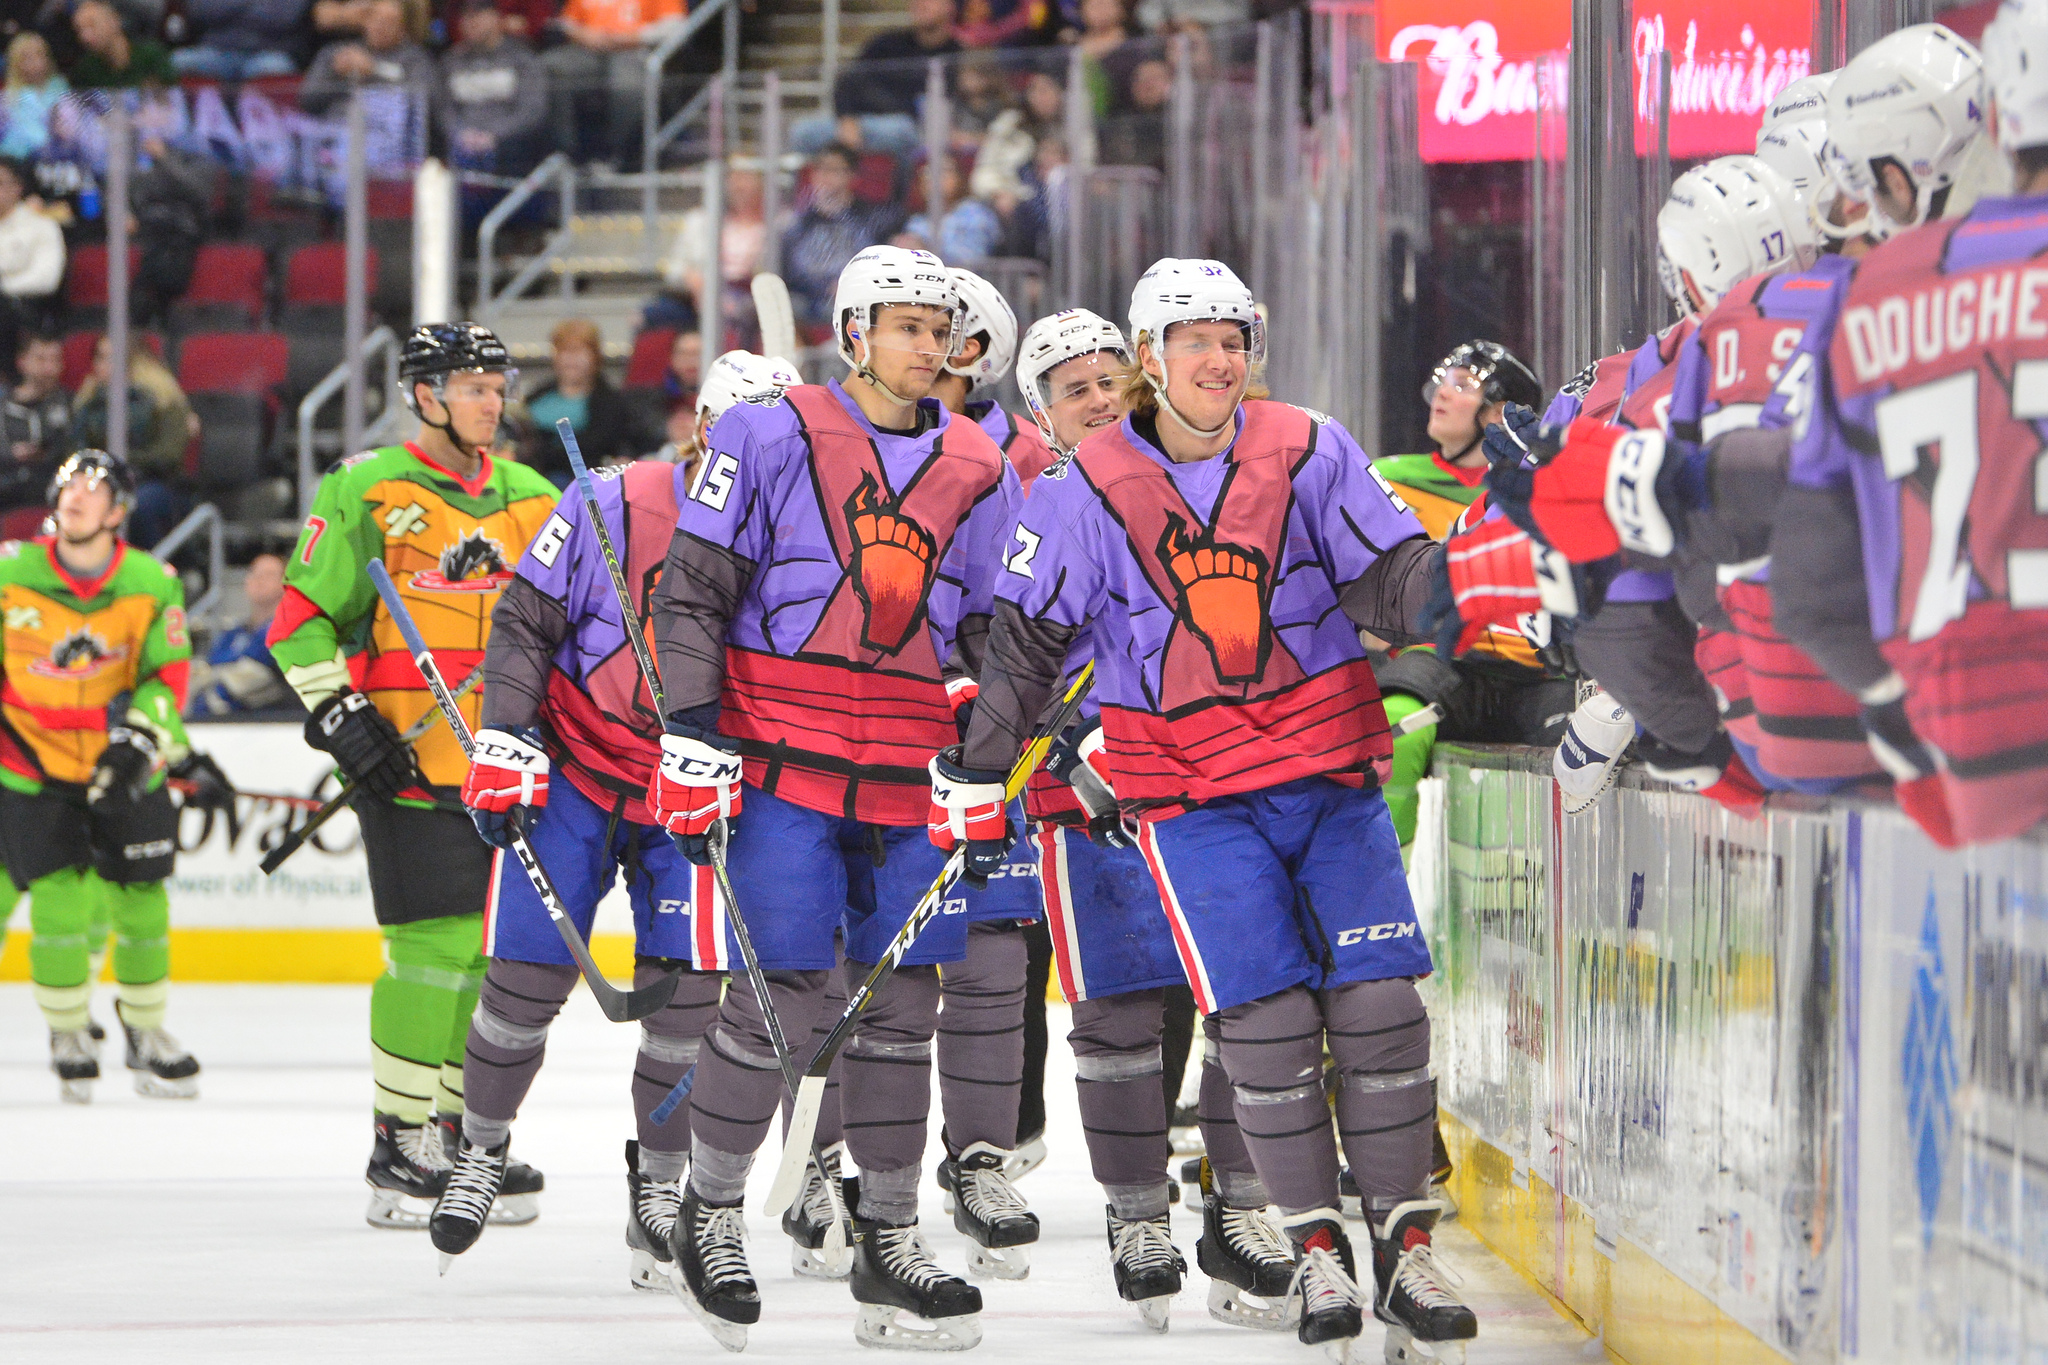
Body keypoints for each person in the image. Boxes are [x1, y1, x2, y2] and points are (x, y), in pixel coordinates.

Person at [946, 258, 1477, 1362]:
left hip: (1329, 774)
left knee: (1380, 1011)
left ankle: (1406, 1244)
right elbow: (1024, 648)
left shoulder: (1308, 444)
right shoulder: (1082, 486)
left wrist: (1467, 591)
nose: (1218, 358)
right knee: (1267, 1024)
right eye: (1194, 340)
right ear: (1153, 360)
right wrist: (971, 768)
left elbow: (1388, 574)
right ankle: (1318, 1254)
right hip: (1192, 799)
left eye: (1233, 337)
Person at [645, 246, 1016, 1351]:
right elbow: (692, 590)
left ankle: (888, 1238)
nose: (929, 346)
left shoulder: (975, 461)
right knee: (777, 996)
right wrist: (690, 732)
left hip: (910, 766)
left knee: (905, 1004)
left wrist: (985, 747)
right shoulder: (765, 432)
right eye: (906, 325)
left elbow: (991, 625)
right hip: (780, 762)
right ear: (855, 334)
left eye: (940, 329)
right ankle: (707, 1215)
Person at [426, 352, 801, 1278]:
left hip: (695, 783)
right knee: (522, 980)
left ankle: (660, 1182)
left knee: (685, 1004)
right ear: (704, 430)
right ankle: (481, 1145)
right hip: (577, 767)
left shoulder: (801, 532)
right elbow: (523, 621)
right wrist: (507, 734)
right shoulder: (609, 500)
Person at [1001, 304, 1299, 1331]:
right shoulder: (1031, 503)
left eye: (1105, 382)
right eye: (1070, 390)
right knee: (1121, 1011)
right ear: (1036, 416)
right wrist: (1070, 739)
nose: (1096, 402)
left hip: (1215, 782)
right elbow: (998, 656)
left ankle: (1239, 1209)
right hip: (1082, 805)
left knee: (1242, 1001)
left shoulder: (1202, 482)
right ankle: (1137, 1219)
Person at [266, 323, 559, 1230]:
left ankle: (458, 1132)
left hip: (508, 768)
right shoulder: (367, 487)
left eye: (496, 385)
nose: (491, 401)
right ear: (424, 396)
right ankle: (397, 1142)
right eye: (472, 385)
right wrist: (344, 716)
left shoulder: (534, 495)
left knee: (484, 958)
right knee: (432, 951)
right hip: (411, 765)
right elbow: (299, 622)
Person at [0, 450, 218, 1103]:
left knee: (145, 902)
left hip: (124, 762)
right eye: (70, 484)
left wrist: (151, 745)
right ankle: (69, 1032)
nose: (77, 494)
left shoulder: (153, 580)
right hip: (32, 765)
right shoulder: (11, 570)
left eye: (94, 487)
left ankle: (147, 1031)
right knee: (63, 904)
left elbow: (165, 675)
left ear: (118, 511)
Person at [1369, 340, 1574, 852]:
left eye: (1462, 386)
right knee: (1394, 726)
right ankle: (1387, 893)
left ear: (1501, 411)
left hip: (1541, 666)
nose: (1441, 395)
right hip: (1445, 660)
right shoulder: (1389, 479)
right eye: (1441, 382)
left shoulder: (1554, 477)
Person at [71, 336, 194, 550]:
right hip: (101, 483)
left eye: (114, 358)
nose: (106, 365)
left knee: (136, 505)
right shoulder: (87, 404)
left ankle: (154, 567)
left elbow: (168, 455)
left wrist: (115, 460)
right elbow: (75, 451)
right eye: (100, 357)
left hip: (155, 483)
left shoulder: (164, 400)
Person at [795, 0, 960, 156]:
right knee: (803, 132)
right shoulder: (886, 43)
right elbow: (848, 81)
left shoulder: (958, 54)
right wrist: (847, 118)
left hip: (912, 127)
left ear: (950, 6)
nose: (920, 4)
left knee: (900, 130)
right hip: (861, 123)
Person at [542, 0, 684, 166]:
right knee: (551, 66)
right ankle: (565, 153)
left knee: (626, 86)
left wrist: (631, 37)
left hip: (635, 50)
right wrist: (583, 35)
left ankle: (620, 156)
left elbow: (675, 26)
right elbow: (567, 23)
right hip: (589, 50)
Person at [782, 144, 900, 330]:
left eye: (834, 170)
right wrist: (819, 288)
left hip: (853, 298)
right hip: (805, 297)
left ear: (852, 176)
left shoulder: (874, 219)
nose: (825, 176)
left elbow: (878, 261)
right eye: (820, 169)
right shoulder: (798, 223)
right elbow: (788, 268)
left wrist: (849, 285)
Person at [523, 319, 653, 484]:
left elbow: (600, 447)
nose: (571, 359)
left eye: (579, 352)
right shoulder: (537, 397)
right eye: (565, 351)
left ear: (595, 356)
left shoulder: (611, 403)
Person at [436, 0, 549, 179]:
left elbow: (532, 110)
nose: (471, 22)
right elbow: (444, 109)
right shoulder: (451, 62)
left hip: (510, 149)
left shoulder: (522, 59)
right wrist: (461, 134)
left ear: (496, 18)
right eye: (465, 16)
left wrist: (493, 136)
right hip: (463, 147)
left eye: (478, 15)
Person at [659, 164, 769, 343]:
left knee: (740, 310)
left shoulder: (777, 224)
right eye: (734, 178)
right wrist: (693, 279)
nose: (738, 185)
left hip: (747, 295)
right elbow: (674, 267)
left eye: (745, 178)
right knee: (652, 313)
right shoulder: (700, 221)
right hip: (700, 293)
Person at [186, 552, 296, 717]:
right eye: (254, 573)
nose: (259, 580)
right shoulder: (232, 634)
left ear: (286, 584)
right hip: (220, 722)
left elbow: (258, 675)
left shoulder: (288, 632)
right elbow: (209, 668)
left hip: (266, 722)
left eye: (269, 575)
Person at [298, 0, 433, 117]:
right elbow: (307, 99)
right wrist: (333, 74)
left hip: (391, 136)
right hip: (339, 131)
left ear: (403, 28)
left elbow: (422, 100)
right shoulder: (338, 52)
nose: (379, 26)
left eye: (389, 22)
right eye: (374, 18)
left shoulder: (415, 59)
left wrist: (374, 69)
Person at [0, 330, 70, 512]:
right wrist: (10, 455)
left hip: (52, 491)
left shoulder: (70, 404)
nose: (49, 368)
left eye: (55, 360)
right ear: (21, 362)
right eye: (41, 359)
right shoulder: (3, 407)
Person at [0, 156, 62, 355]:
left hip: (20, 309)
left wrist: (4, 288)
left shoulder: (42, 226)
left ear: (17, 187)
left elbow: (46, 278)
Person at [899, 153, 1004, 264]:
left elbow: (972, 259)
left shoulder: (975, 213)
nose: (935, 179)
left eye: (945, 171)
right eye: (927, 173)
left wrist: (925, 252)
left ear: (959, 178)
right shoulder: (916, 222)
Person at [171, 0, 311, 80]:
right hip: (218, 51)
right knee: (177, 62)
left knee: (275, 68)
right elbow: (202, 10)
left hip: (268, 52)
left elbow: (283, 18)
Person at [67, 0, 175, 89]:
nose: (85, 37)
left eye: (92, 26)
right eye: (79, 30)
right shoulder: (86, 70)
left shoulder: (151, 55)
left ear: (114, 21)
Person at [1, 33, 70, 160]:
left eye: (39, 54)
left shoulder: (62, 88)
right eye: (27, 57)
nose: (36, 61)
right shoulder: (7, 98)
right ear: (16, 63)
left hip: (63, 158)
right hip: (21, 161)